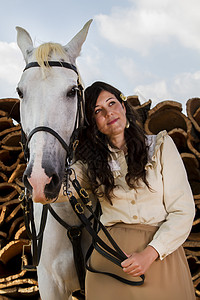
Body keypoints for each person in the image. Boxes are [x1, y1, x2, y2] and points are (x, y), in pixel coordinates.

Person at [72, 81, 196, 300]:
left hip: (160, 261)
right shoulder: (89, 164)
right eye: (98, 111)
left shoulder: (160, 146)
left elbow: (183, 211)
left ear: (123, 106)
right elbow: (57, 188)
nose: (109, 113)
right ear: (93, 123)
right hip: (109, 266)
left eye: (112, 103)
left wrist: (149, 254)